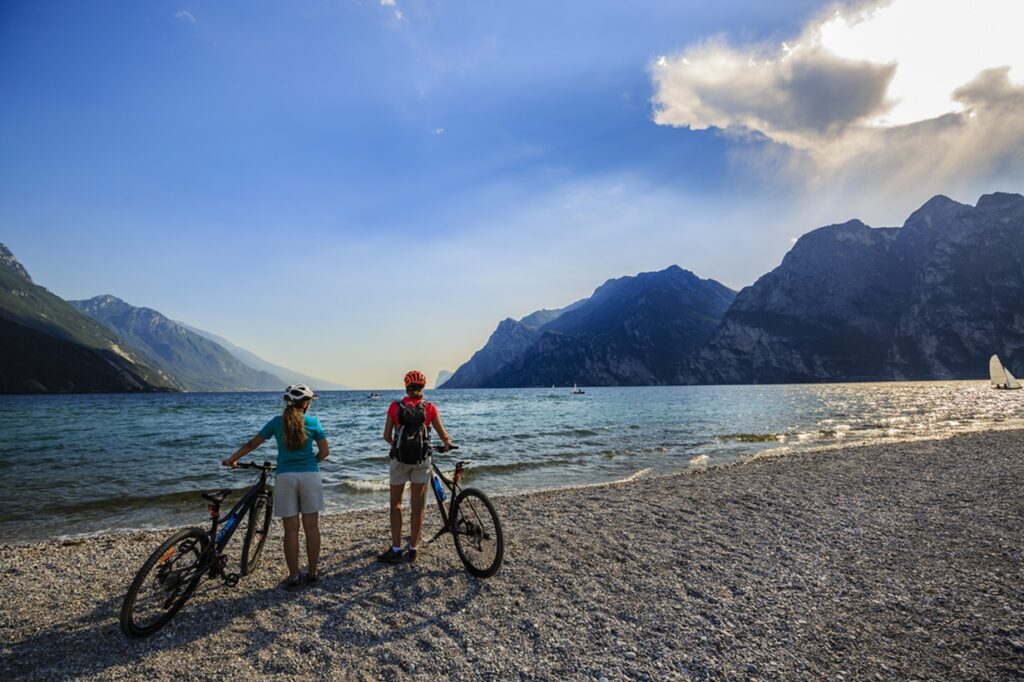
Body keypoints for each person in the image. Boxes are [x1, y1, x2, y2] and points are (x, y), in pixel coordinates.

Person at [223, 384, 329, 591]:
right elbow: (325, 452)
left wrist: (233, 459)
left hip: (285, 477)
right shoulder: (314, 422)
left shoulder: (276, 423)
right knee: (312, 527)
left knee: (291, 530)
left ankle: (294, 576)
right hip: (310, 476)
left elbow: (252, 444)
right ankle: (313, 573)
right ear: (306, 404)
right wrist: (311, 463)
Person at [379, 370, 454, 564]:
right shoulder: (429, 408)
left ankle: (395, 548)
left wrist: (398, 445)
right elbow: (443, 436)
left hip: (399, 461)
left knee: (396, 504)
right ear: (423, 387)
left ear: (406, 386)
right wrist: (447, 443)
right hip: (422, 462)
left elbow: (387, 436)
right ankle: (413, 548)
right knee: (417, 506)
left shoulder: (395, 407)